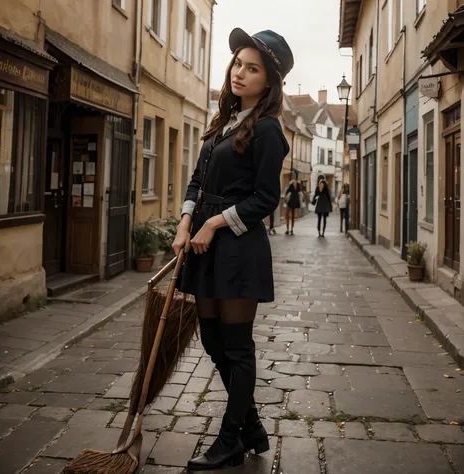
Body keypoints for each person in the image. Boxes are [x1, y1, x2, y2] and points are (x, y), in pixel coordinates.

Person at [172, 27, 294, 471]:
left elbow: (265, 199)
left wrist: (214, 222)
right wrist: (186, 221)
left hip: (239, 249)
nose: (239, 73)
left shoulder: (267, 130)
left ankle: (230, 442)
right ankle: (252, 426)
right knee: (211, 340)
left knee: (237, 348)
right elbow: (196, 181)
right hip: (204, 246)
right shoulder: (223, 121)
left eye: (252, 68)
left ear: (269, 80)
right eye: (237, 64)